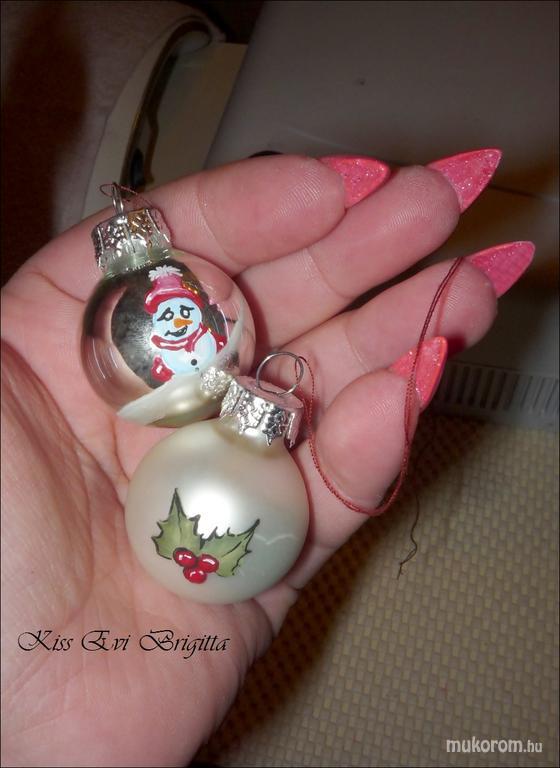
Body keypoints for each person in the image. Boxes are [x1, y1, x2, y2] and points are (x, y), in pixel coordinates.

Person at [1, 152, 533, 766]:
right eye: (167, 312)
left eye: (183, 308)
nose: (176, 316)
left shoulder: (214, 336)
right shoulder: (135, 336)